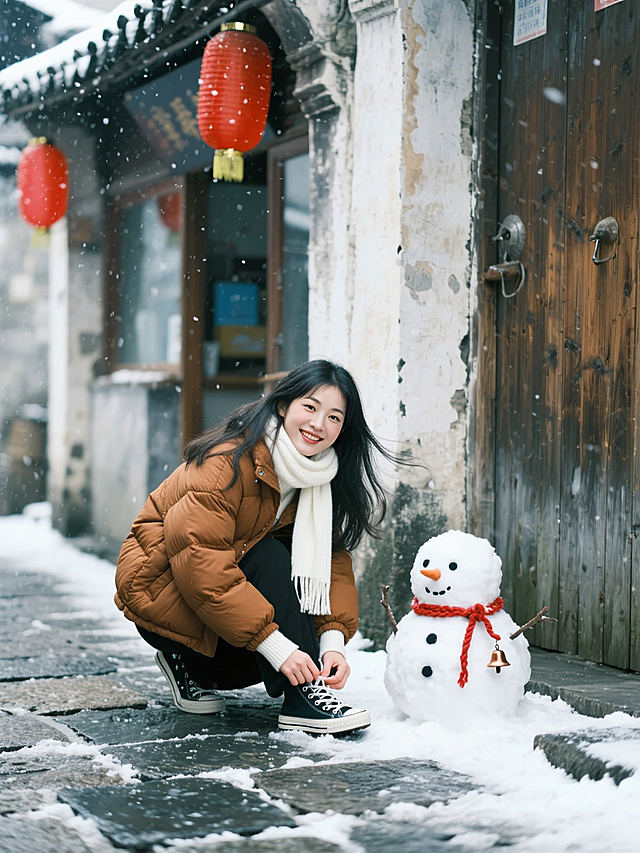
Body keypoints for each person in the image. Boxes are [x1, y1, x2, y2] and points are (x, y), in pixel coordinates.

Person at [115, 359, 399, 735]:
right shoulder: (225, 463)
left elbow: (330, 561)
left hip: (221, 601)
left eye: (334, 417)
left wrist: (331, 643)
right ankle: (300, 700)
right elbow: (201, 565)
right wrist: (279, 647)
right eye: (310, 407)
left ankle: (193, 667)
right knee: (271, 572)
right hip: (164, 595)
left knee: (283, 609)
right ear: (284, 406)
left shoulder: (318, 476)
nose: (318, 424)